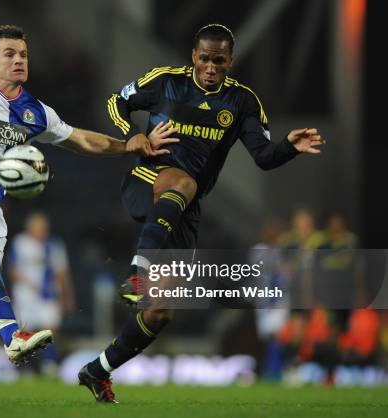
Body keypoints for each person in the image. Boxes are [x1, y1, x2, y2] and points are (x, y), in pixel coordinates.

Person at [0, 25, 167, 402]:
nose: (18, 60)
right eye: (9, 54)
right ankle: (14, 337)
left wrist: (127, 146)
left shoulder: (35, 113)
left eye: (23, 54)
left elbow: (81, 139)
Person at [78, 23, 326, 403]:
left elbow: (263, 157)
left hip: (184, 209)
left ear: (230, 62)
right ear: (194, 57)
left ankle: (97, 370)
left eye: (219, 61)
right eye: (205, 59)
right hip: (149, 179)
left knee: (161, 312)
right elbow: (117, 100)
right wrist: (133, 134)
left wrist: (288, 147)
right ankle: (136, 273)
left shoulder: (242, 102)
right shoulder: (165, 82)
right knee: (184, 183)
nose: (211, 67)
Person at [8, 212, 74, 376]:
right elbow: (13, 269)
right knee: (24, 332)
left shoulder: (54, 245)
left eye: (44, 227)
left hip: (48, 295)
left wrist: (67, 296)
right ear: (29, 228)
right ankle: (25, 367)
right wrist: (28, 286)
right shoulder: (20, 243)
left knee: (50, 329)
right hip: (25, 295)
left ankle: (49, 363)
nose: (42, 230)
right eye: (38, 227)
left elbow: (62, 272)